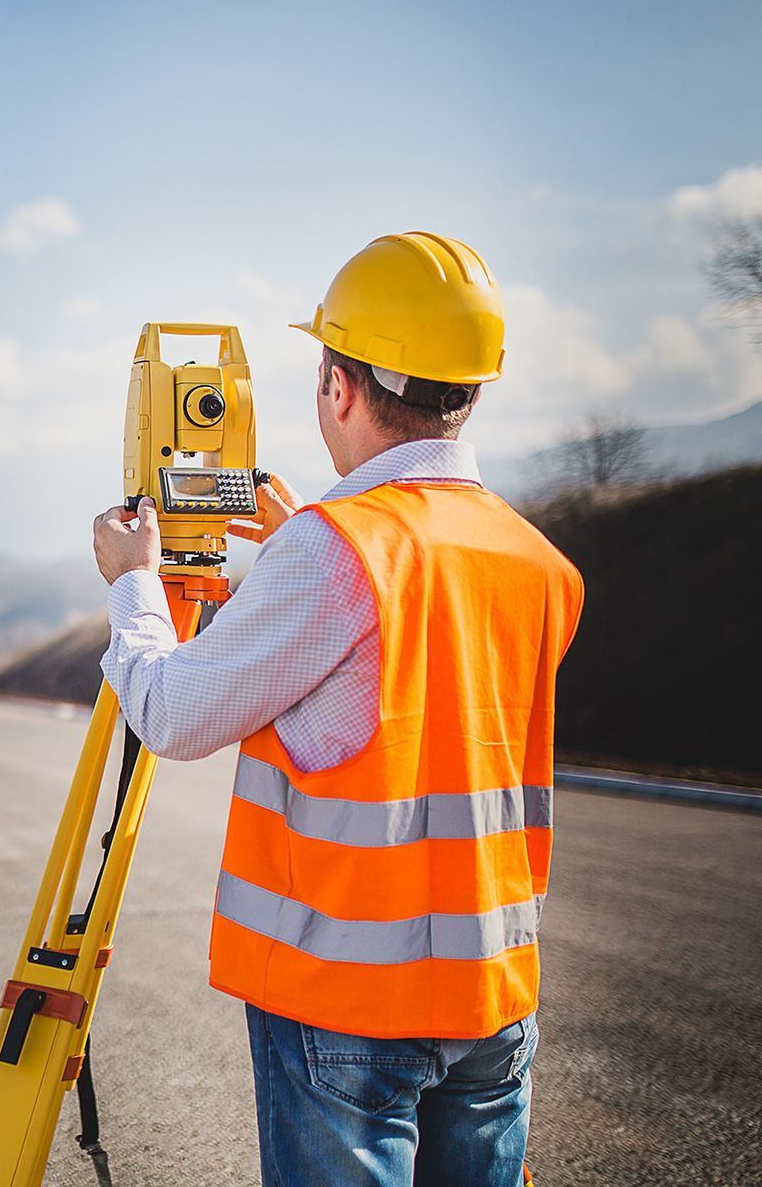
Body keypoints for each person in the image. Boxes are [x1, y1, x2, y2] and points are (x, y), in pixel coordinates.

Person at [90, 232, 584, 1187]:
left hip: (349, 1007)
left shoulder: (333, 553)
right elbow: (414, 661)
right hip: (492, 1001)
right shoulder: (535, 560)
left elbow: (173, 714)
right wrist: (303, 545)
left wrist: (135, 587)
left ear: (340, 386)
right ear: (467, 391)